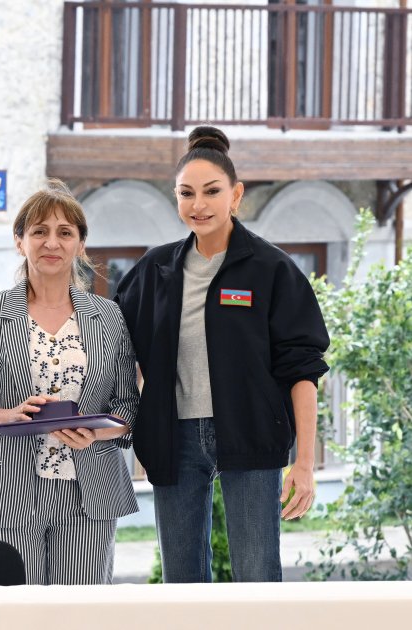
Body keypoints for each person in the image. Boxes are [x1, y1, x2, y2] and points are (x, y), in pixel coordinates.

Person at [115, 126, 329, 583]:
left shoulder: (271, 269)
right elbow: (112, 346)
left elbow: (302, 370)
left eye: (212, 191)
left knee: (256, 577)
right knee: (182, 584)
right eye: (186, 193)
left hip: (252, 432)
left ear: (236, 194)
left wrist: (305, 463)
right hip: (173, 439)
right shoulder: (153, 270)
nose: (199, 204)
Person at [0, 179, 139, 585]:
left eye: (65, 232)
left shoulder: (109, 317)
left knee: (79, 610)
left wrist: (97, 433)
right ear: (20, 242)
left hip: (89, 493)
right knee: (10, 610)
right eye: (39, 231)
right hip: (2, 491)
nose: (52, 242)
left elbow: (128, 406)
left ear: (80, 245)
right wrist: (5, 416)